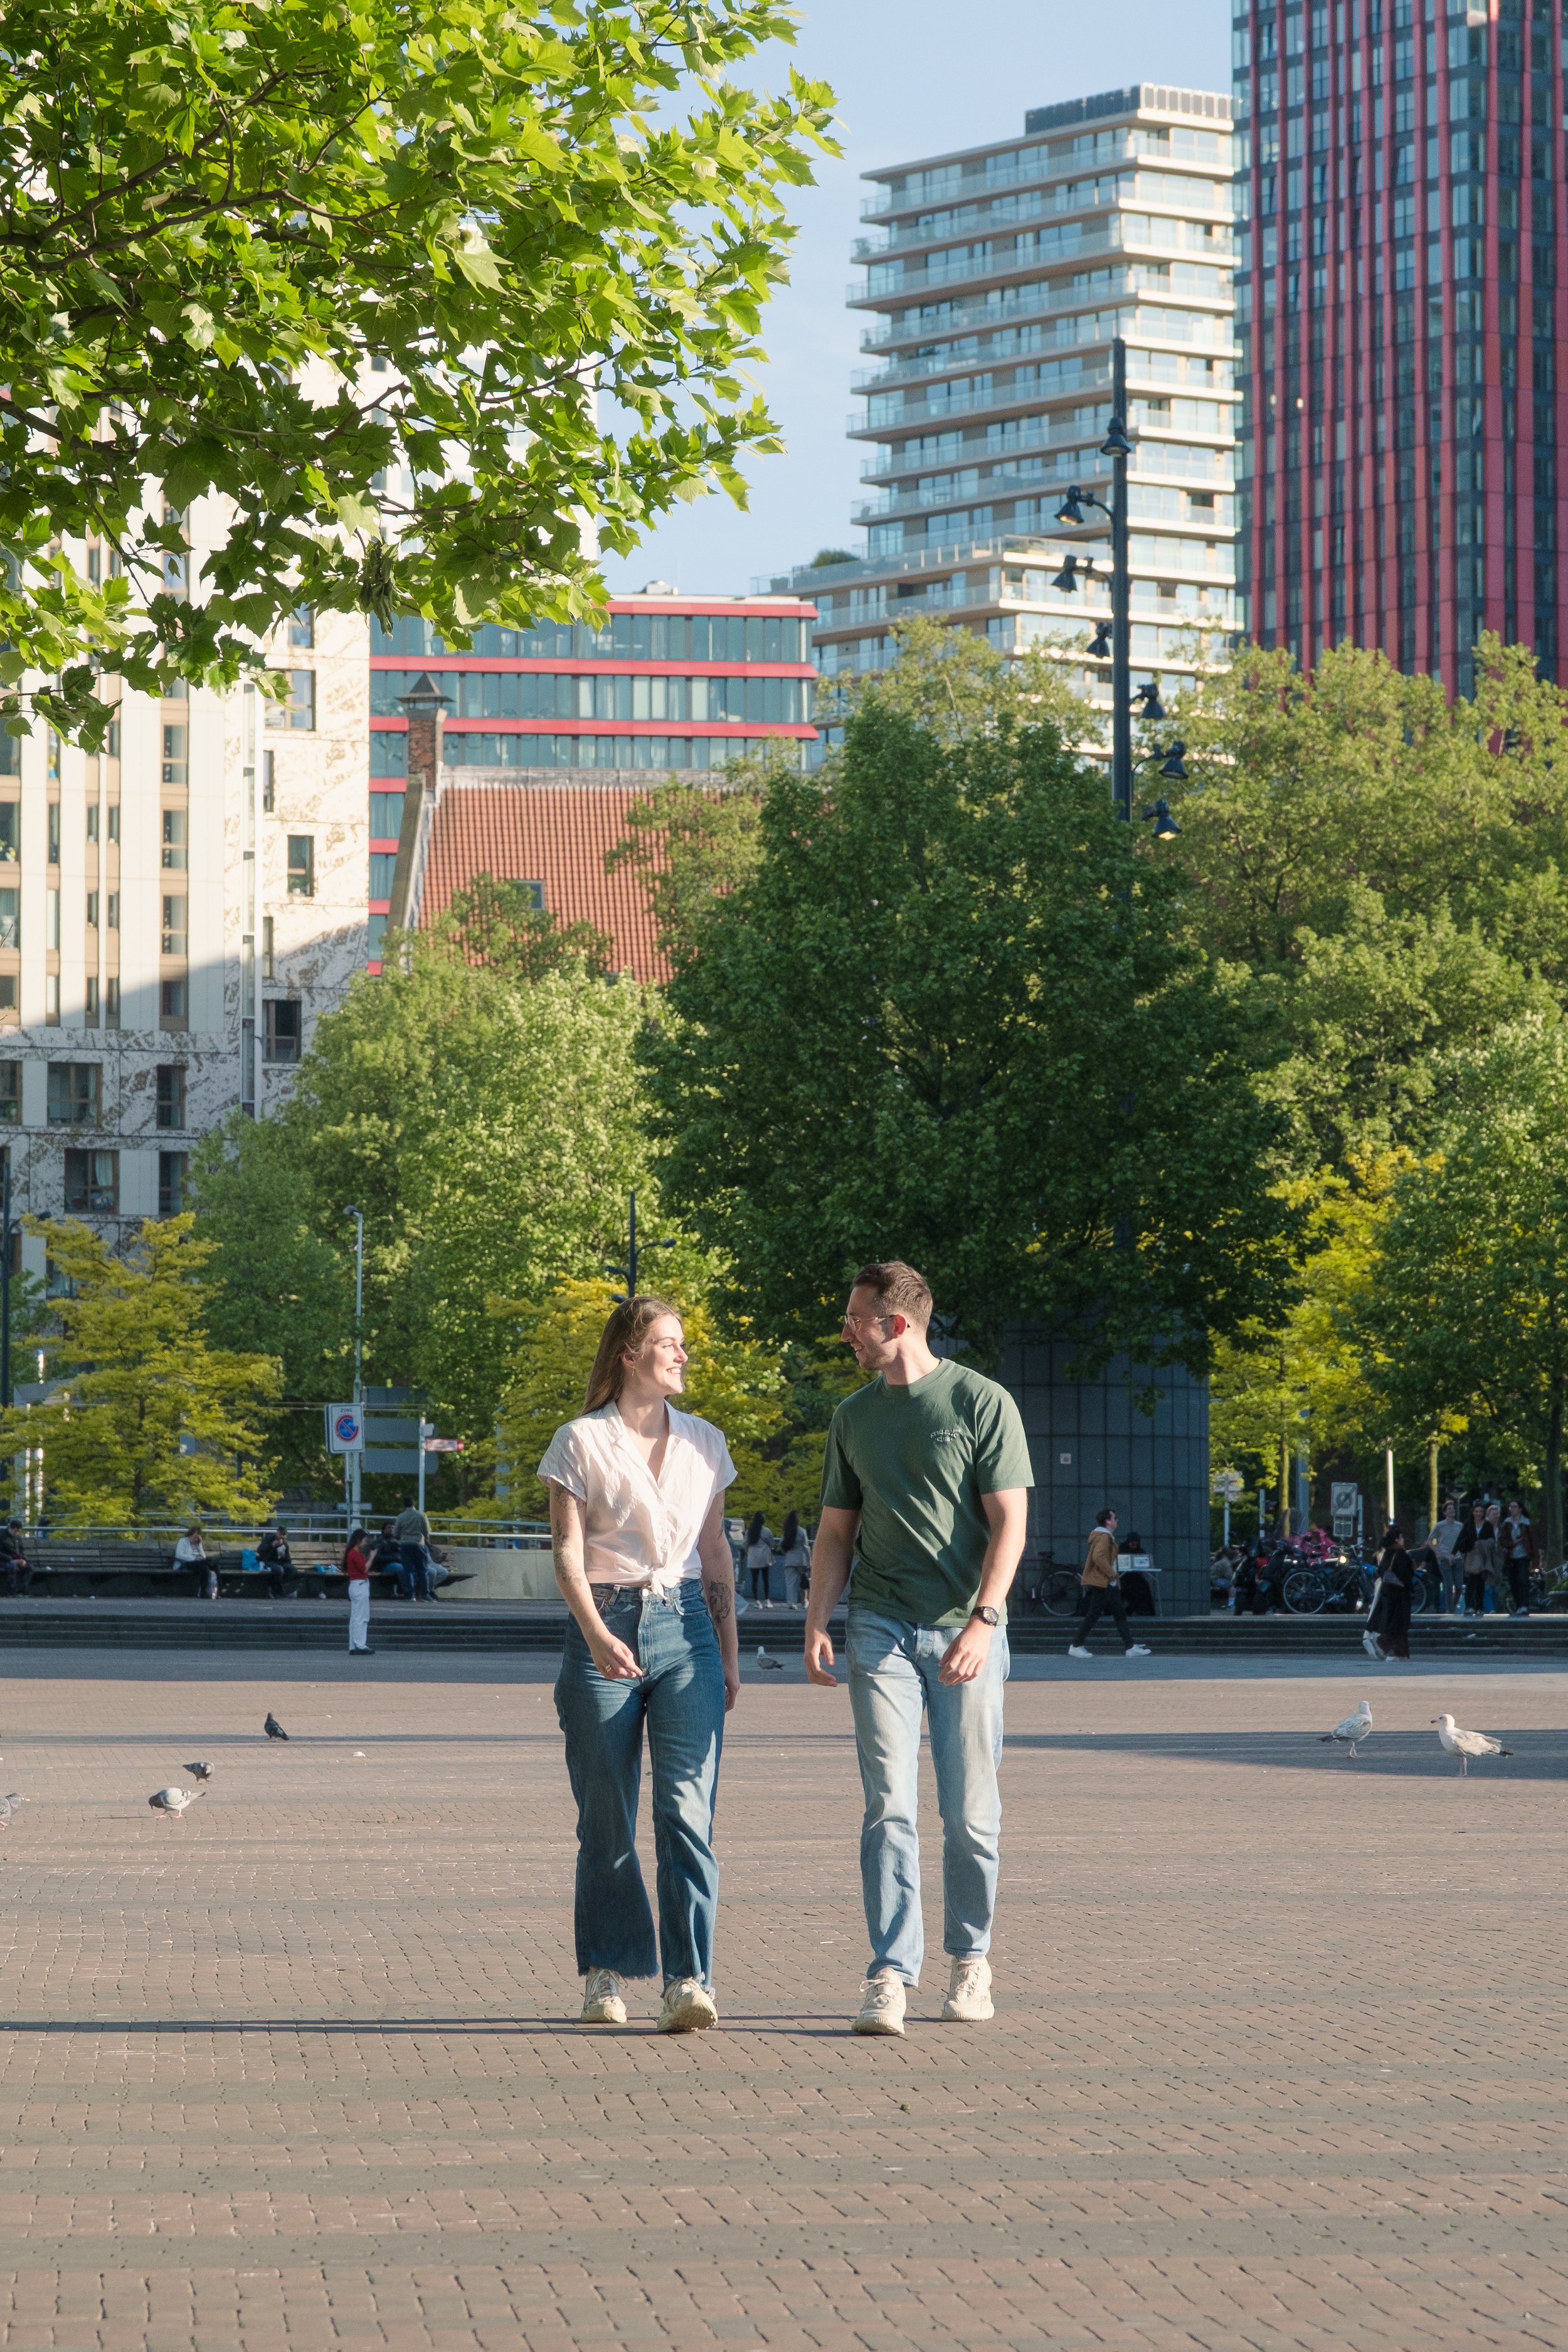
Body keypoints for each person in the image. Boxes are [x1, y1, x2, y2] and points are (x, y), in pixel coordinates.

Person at [805, 1259, 1032, 2037]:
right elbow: (837, 1532)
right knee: (888, 1807)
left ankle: (970, 1961)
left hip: (965, 1628)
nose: (845, 1332)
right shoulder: (852, 1416)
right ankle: (890, 1973)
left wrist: (985, 1621)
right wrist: (815, 1621)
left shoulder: (980, 1402)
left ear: (896, 1325)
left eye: (854, 1319)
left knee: (970, 1812)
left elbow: (1011, 1524)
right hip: (879, 1625)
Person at [543, 1293, 740, 2034]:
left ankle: (689, 1980)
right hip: (604, 1624)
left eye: (683, 1342)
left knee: (687, 1812)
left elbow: (715, 1553)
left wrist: (728, 1655)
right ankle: (604, 1974)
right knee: (607, 1818)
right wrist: (594, 1632)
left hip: (685, 1625)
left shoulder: (705, 1443)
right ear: (629, 1355)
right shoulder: (578, 1441)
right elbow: (565, 1551)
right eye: (669, 1343)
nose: (682, 1354)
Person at [1069, 1508, 1153, 1660]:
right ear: (1108, 1521)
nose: (1117, 1520)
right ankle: (1076, 1645)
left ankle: (1130, 1646)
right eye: (1115, 1518)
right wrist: (1111, 1574)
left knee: (1118, 1613)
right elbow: (1098, 1557)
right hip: (1104, 1582)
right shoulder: (1104, 1538)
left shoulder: (1105, 1536)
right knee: (1095, 1615)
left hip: (1108, 1582)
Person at [1365, 1525, 1414, 1660]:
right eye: (1401, 1537)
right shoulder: (1401, 1554)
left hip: (1388, 1592)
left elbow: (1381, 1571)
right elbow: (1406, 1574)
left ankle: (1402, 1654)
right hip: (1400, 1594)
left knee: (1398, 1626)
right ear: (1397, 1540)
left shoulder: (1387, 1554)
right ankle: (1382, 1643)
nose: (1403, 1540)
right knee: (1399, 1625)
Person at [1501, 1500, 1537, 1618]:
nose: (1512, 1509)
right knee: (1513, 1582)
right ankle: (1518, 1605)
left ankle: (1524, 1605)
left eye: (1515, 1507)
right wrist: (1514, 1543)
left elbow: (1531, 1540)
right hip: (1511, 1556)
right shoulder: (1507, 1523)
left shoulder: (1526, 1523)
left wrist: (1533, 1556)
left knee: (1522, 1580)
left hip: (1523, 1556)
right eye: (1510, 1507)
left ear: (1520, 1509)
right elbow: (1503, 1540)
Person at [1456, 1502, 1493, 1618]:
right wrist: (1454, 1552)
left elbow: (1492, 1540)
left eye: (1481, 1512)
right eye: (1476, 1511)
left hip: (1482, 1556)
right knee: (1470, 1582)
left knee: (1481, 1583)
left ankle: (1479, 1607)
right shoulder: (1468, 1524)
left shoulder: (1487, 1525)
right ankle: (1469, 1606)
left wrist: (1482, 1543)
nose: (1478, 1514)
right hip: (1471, 1556)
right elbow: (1460, 1538)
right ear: (1473, 1512)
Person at [393, 1496, 432, 1602]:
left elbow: (395, 1533)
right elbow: (427, 1531)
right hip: (419, 1544)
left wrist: (402, 1537)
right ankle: (425, 1595)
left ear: (404, 1505)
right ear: (413, 1504)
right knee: (422, 1570)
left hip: (405, 1544)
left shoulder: (401, 1516)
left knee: (408, 1570)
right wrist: (424, 1539)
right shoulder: (421, 1515)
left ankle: (411, 1595)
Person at [343, 1524, 374, 1654]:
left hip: (355, 1585)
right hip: (360, 1586)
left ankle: (353, 1645)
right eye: (364, 1540)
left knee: (355, 1617)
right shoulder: (355, 1554)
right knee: (361, 1617)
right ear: (358, 1541)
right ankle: (360, 1645)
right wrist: (372, 1557)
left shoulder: (351, 1553)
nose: (365, 1542)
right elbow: (365, 1569)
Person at [1431, 1498, 1464, 1614]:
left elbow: (1463, 1541)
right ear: (1445, 1512)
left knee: (1459, 1586)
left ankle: (1454, 1606)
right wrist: (1437, 1552)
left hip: (1458, 1558)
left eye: (1453, 1508)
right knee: (1448, 1585)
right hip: (1444, 1558)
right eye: (1449, 1509)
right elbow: (1430, 1540)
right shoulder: (1440, 1526)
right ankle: (1450, 1610)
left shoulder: (1460, 1526)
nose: (1452, 1511)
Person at [777, 1510, 811, 1607]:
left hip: (790, 1559)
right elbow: (806, 1547)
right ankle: (804, 1601)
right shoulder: (802, 1531)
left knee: (790, 1583)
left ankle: (791, 1603)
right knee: (803, 1581)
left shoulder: (787, 1532)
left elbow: (781, 1543)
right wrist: (810, 1560)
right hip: (801, 1559)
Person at [743, 1511, 776, 1608]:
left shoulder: (750, 1531)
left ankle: (757, 1601)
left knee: (755, 1580)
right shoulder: (767, 1531)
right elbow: (772, 1543)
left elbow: (744, 1544)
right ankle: (767, 1600)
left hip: (753, 1557)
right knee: (766, 1579)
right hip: (765, 1558)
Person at [174, 1524, 216, 1599]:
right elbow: (179, 1555)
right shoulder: (183, 1541)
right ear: (190, 1535)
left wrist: (199, 1547)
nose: (196, 1539)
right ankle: (205, 1592)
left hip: (198, 1564)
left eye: (198, 1538)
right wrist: (194, 1558)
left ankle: (204, 1591)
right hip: (185, 1563)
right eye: (195, 1537)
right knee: (208, 1564)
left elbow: (203, 1556)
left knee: (205, 1567)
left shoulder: (198, 1543)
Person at [257, 1523, 294, 1599]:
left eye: (284, 1535)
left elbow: (289, 1561)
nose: (282, 1537)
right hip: (268, 1561)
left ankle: (274, 1586)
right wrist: (272, 1545)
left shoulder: (285, 1544)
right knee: (279, 1570)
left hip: (280, 1562)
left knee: (292, 1570)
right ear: (277, 1533)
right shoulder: (269, 1538)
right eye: (281, 1534)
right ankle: (280, 1593)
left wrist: (284, 1556)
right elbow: (260, 1550)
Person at [0, 1519, 31, 1596]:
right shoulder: (2, 1537)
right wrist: (10, 1559)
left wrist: (23, 1560)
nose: (16, 1532)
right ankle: (12, 1590)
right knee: (13, 1566)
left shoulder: (17, 1538)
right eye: (16, 1531)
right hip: (4, 1560)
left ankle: (23, 1590)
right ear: (11, 1528)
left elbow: (21, 1550)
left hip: (16, 1560)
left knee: (30, 1568)